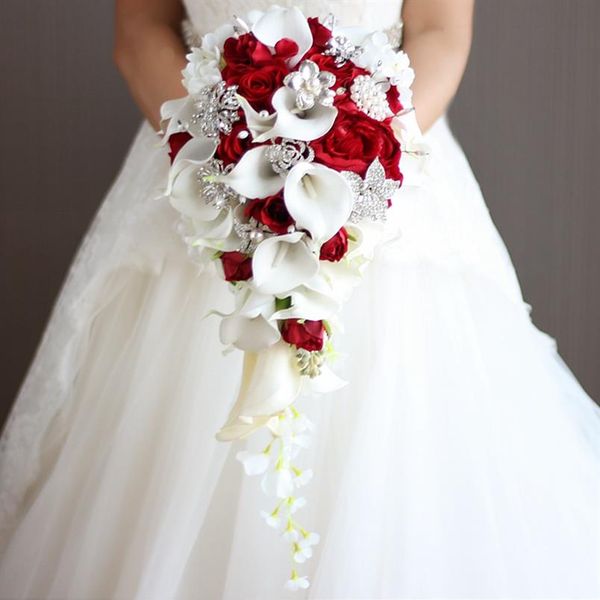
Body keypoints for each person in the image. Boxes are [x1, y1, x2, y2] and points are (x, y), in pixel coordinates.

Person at [1, 0, 599, 598]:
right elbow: (139, 34)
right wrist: (220, 148)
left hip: (387, 170)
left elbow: (440, 30)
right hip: (204, 172)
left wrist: (363, 155)